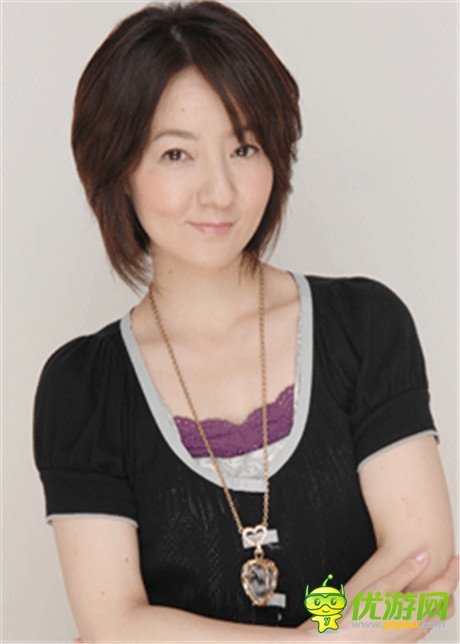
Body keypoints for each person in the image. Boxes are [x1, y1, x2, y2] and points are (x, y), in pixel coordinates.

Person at [33, 2, 457, 642]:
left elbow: (424, 582)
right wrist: (321, 640)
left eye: (244, 147)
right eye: (177, 154)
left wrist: (317, 631)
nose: (220, 192)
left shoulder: (364, 328)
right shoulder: (85, 390)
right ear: (119, 168)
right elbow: (113, 622)